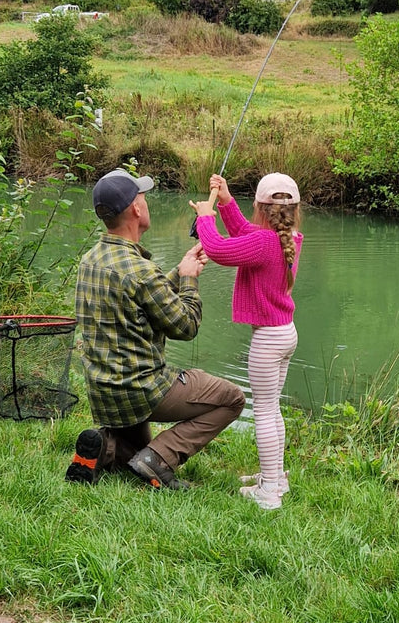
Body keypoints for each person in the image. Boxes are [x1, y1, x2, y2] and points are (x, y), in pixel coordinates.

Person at [67, 168, 245, 488]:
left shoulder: (90, 260)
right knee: (231, 399)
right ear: (136, 209)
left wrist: (179, 270)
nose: (146, 203)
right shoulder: (141, 270)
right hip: (140, 392)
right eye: (143, 198)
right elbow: (185, 325)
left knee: (132, 454)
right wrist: (190, 280)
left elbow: (143, 299)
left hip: (103, 395)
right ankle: (158, 460)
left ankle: (104, 450)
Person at [191, 172, 303, 510]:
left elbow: (220, 249)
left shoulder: (265, 243)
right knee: (274, 410)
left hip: (268, 340)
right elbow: (244, 233)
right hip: (286, 333)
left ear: (259, 206)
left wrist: (205, 219)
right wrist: (224, 202)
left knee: (265, 413)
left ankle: (269, 494)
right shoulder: (288, 238)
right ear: (294, 209)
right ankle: (276, 477)